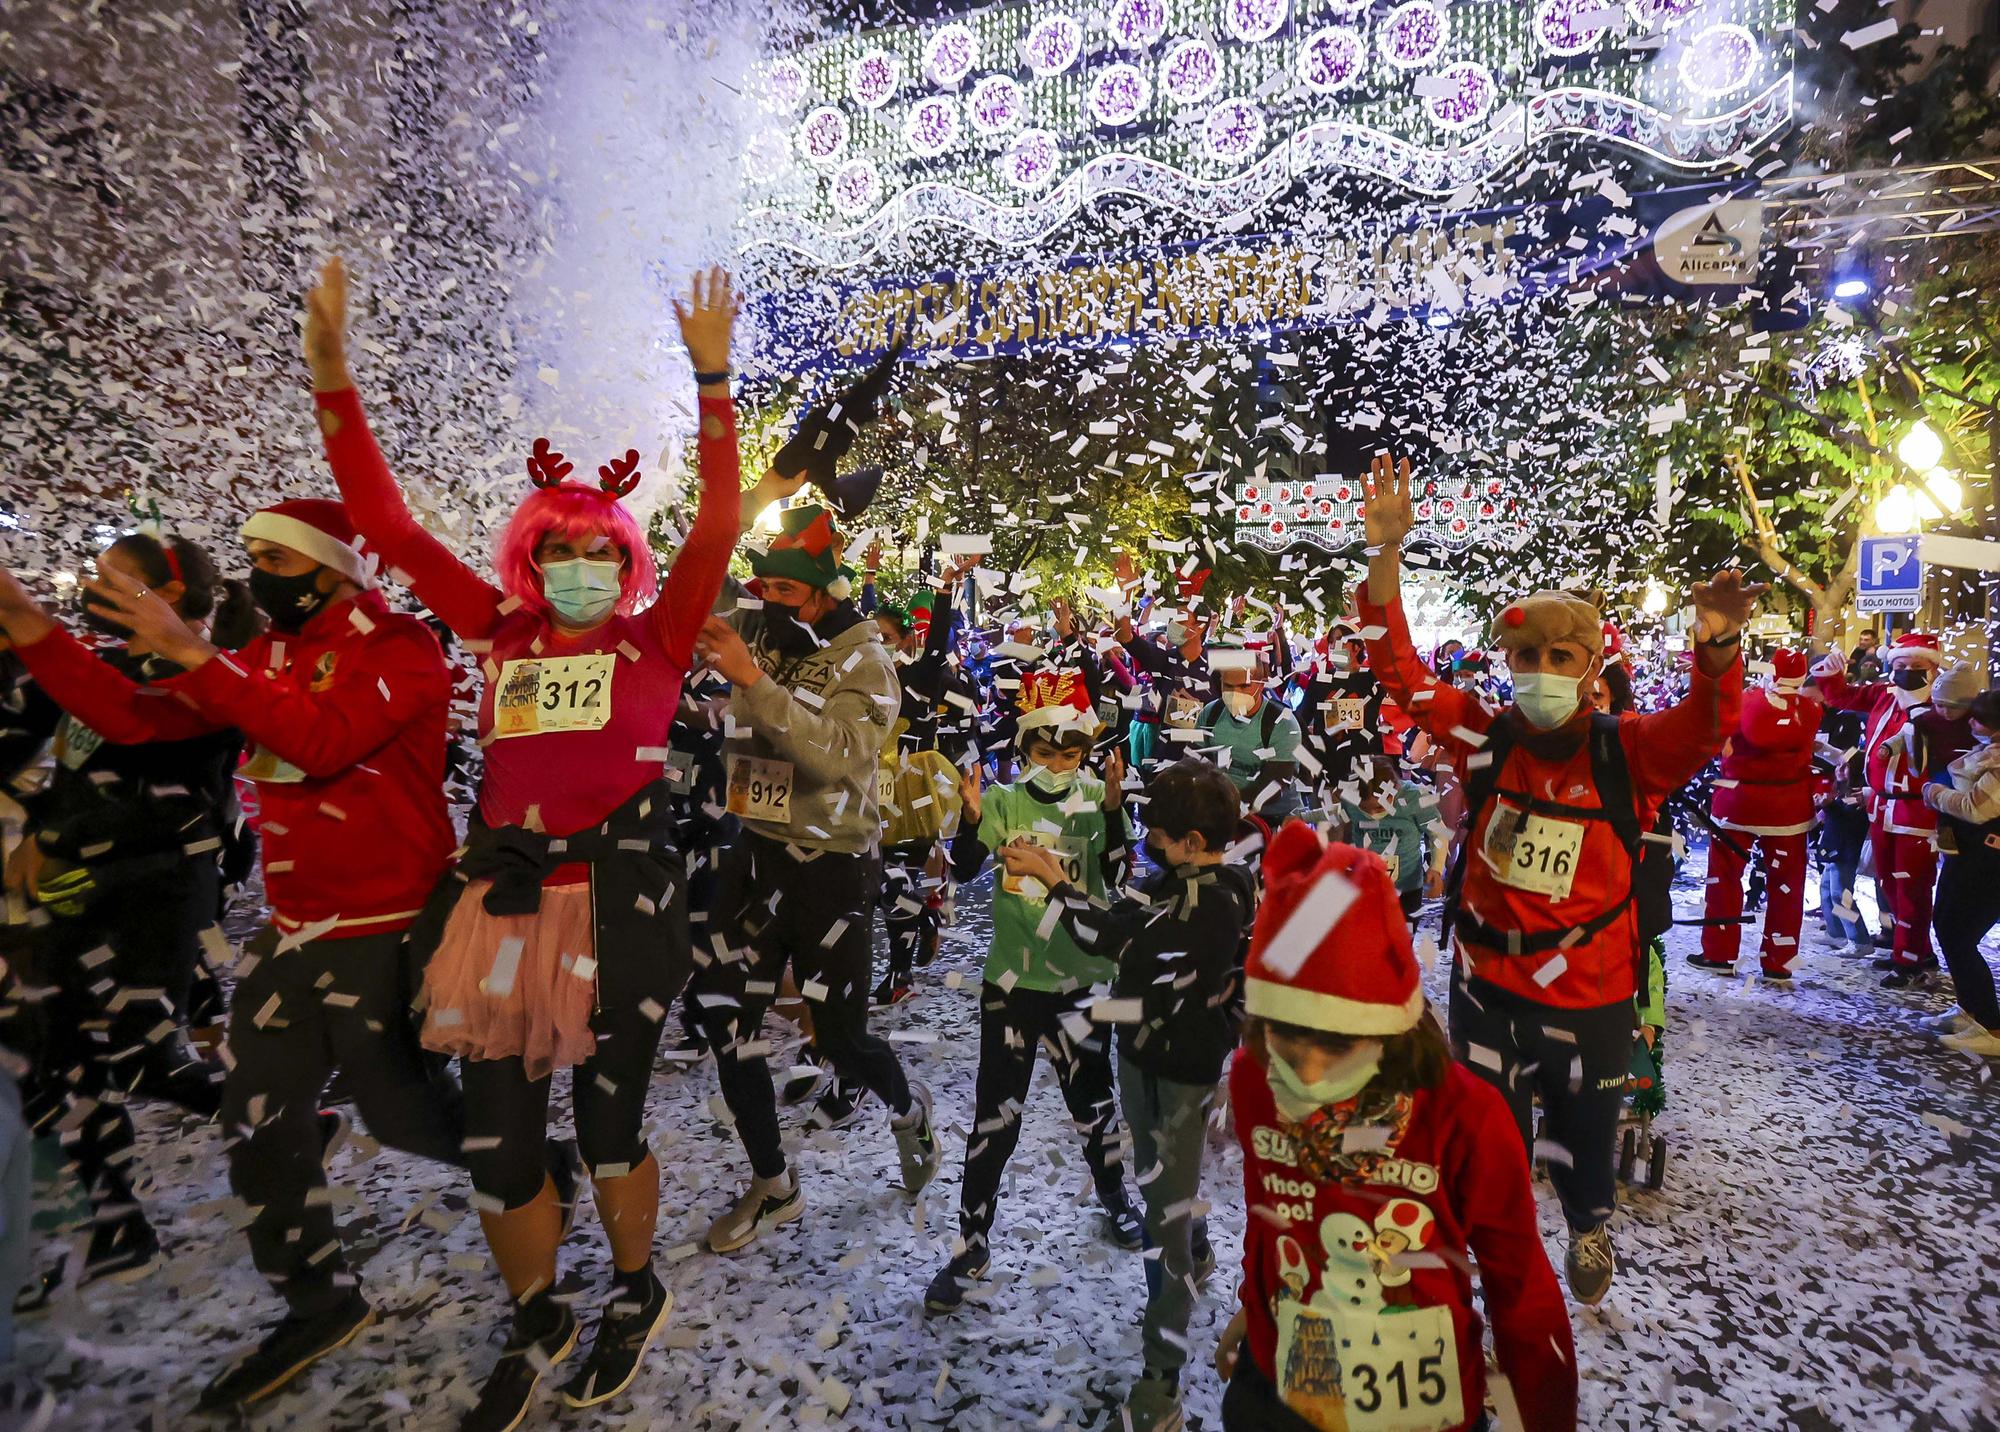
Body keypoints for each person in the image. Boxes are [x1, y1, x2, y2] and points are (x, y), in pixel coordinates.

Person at [304, 257, 743, 1425]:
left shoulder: (657, 642)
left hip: (626, 903)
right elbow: (387, 526)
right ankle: (537, 1309)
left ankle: (635, 1287)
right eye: (562, 551)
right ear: (530, 558)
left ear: (626, 564)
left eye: (603, 553)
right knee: (501, 1139)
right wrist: (333, 382)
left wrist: (713, 380)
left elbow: (718, 519)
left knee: (608, 1128)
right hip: (500, 907)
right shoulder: (494, 632)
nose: (584, 571)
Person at [0, 496, 466, 1414]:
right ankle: (316, 1301)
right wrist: (32, 629)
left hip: (385, 923)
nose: (259, 572)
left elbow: (318, 739)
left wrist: (195, 653)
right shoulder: (262, 655)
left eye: (280, 559)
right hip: (291, 930)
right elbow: (140, 720)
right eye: (251, 555)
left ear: (336, 567)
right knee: (254, 1118)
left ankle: (536, 1171)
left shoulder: (402, 645)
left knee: (407, 1119)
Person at [1356, 451, 1758, 1305]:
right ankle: (1492, 1274)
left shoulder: (1627, 750)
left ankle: (1588, 1226)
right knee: (1485, 1153)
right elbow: (1400, 676)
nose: (1541, 669)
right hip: (1489, 984)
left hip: (1593, 991)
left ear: (1591, 662)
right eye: (1525, 654)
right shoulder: (1484, 734)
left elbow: (1707, 725)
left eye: (1561, 654)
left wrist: (1717, 647)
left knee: (1582, 1143)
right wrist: (1385, 560)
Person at [1212, 824, 1577, 1432]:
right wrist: (1257, 1305)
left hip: (1420, 1411)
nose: (1304, 1070)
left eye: (1336, 1046)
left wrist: (1545, 1414)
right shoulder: (1255, 1079)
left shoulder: (1466, 1116)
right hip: (1285, 1391)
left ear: (1388, 1028)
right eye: (1284, 1036)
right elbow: (1269, 1204)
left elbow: (1522, 1288)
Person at [0, 533, 248, 1309]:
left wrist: (51, 835)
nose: (91, 587)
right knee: (52, 1056)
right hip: (71, 888)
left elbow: (150, 768)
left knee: (144, 1054)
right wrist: (42, 819)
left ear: (169, 597)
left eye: (112, 579)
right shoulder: (100, 663)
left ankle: (283, 1118)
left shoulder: (208, 678)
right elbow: (37, 746)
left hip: (159, 885)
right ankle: (116, 1222)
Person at [691, 501, 941, 1255]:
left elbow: (835, 755)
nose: (769, 604)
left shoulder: (870, 660)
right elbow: (691, 583)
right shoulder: (760, 621)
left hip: (830, 866)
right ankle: (774, 1185)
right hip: (751, 849)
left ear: (828, 590)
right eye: (763, 590)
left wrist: (751, 682)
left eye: (787, 594)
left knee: (839, 1036)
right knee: (727, 1022)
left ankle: (905, 1106)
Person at [1004, 756, 1253, 1430]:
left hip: (1183, 1074)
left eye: (1157, 835)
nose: (1148, 845)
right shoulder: (1174, 878)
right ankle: (1194, 1245)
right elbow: (1118, 922)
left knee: (1160, 1223)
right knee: (1160, 1186)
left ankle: (1160, 1388)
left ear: (1196, 843)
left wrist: (1054, 880)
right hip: (1140, 1054)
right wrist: (1063, 875)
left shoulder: (1217, 904)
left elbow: (1111, 941)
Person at [923, 674, 1143, 1314]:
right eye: (1044, 754)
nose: (1056, 765)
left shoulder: (1095, 804)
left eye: (1069, 754)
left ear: (1083, 754)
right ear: (1026, 751)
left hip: (1079, 983)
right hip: (1012, 984)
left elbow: (1119, 874)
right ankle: (971, 1243)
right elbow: (965, 869)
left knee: (1092, 1098)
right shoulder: (1006, 801)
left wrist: (1110, 806)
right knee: (997, 1110)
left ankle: (1115, 1198)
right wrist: (968, 821)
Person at [1814, 635, 1950, 986]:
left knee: (1912, 887)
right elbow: (1844, 697)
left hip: (1917, 809)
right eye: (1900, 666)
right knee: (1888, 883)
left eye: (1915, 668)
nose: (1905, 673)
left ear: (1933, 668)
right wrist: (1831, 676)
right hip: (1881, 804)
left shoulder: (1941, 704)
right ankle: (1912, 948)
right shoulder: (1886, 695)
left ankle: (1910, 960)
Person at [1689, 649, 1822, 980]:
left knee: (1724, 879)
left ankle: (1719, 953)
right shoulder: (1810, 710)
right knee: (1787, 886)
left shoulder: (1747, 702)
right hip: (1789, 809)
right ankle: (1779, 961)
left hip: (1739, 803)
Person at [1920, 688, 2000, 1055]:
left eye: (1978, 717)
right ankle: (1971, 1009)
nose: (1970, 723)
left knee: (1959, 932)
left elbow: (1975, 808)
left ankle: (1991, 1026)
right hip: (1967, 853)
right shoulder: (1986, 752)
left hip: (1988, 861)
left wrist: (1934, 793)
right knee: (1948, 925)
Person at [1331, 754, 1443, 917]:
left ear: (1395, 789)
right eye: (1365, 809)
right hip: (1366, 885)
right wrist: (1300, 817)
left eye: (1378, 808)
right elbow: (1333, 814)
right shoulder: (1350, 798)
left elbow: (1439, 832)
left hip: (1407, 888)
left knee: (1404, 937)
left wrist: (1436, 868)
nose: (1372, 814)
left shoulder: (1415, 796)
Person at [1201, 650, 1305, 825]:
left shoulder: (1283, 722)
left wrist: (1222, 805)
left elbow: (1273, 785)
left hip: (1276, 819)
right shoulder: (1210, 713)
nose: (1235, 694)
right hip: (1224, 813)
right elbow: (1195, 762)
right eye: (1228, 686)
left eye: (1243, 686)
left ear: (1261, 685)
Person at [1816, 706, 1878, 956]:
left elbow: (1849, 820)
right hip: (1833, 849)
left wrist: (1829, 806)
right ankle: (1836, 933)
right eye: (1839, 767)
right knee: (1826, 891)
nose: (1840, 771)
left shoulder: (1857, 796)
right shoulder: (1841, 791)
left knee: (1842, 895)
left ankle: (1859, 940)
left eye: (1845, 768)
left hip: (1845, 851)